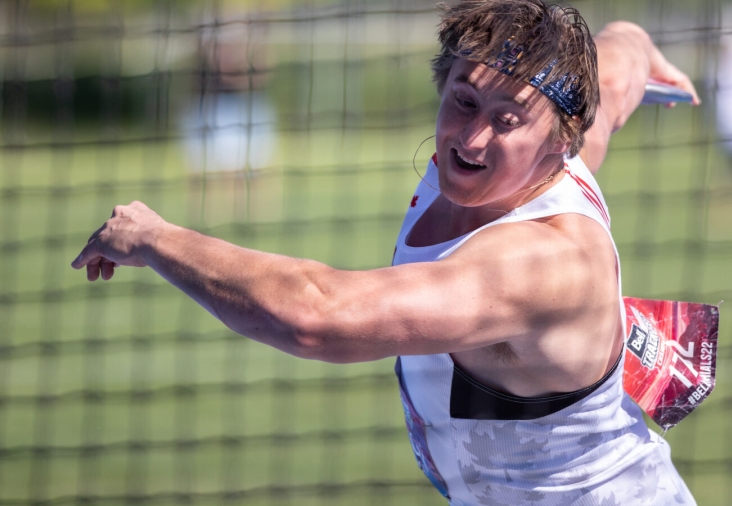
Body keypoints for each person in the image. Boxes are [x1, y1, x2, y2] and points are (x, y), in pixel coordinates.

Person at [72, 1, 699, 504]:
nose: (473, 137)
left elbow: (318, 317)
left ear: (562, 139)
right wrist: (640, 46)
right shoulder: (541, 140)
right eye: (465, 100)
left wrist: (155, 238)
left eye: (508, 120)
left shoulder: (541, 264)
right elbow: (619, 62)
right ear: (444, 81)